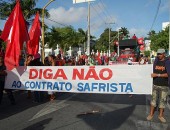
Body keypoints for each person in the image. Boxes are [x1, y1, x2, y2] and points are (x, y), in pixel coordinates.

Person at [147, 49, 170, 123]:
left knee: (162, 101)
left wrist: (157, 75)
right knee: (153, 100)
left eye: (160, 54)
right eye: (158, 54)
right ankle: (151, 114)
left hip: (164, 85)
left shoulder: (167, 62)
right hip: (155, 84)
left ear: (164, 54)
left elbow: (168, 74)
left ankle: (160, 116)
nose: (159, 55)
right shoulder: (156, 61)